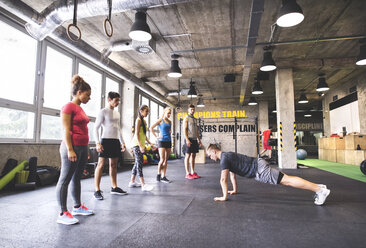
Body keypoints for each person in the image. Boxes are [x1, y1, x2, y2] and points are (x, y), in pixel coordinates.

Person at [206, 144, 330, 205]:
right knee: (287, 179)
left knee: (287, 180)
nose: (210, 158)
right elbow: (232, 175)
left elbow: (223, 180)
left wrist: (224, 197)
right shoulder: (227, 155)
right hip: (258, 164)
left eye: (210, 155)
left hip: (259, 169)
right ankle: (318, 187)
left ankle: (319, 190)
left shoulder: (223, 159)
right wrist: (234, 190)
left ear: (214, 151)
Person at [56, 75, 94, 225]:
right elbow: (66, 130)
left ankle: (77, 207)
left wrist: (86, 150)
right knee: (65, 179)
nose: (89, 98)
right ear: (79, 92)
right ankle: (62, 213)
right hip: (71, 146)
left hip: (82, 147)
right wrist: (70, 149)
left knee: (76, 177)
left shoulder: (80, 108)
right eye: (87, 95)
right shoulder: (68, 107)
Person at [93, 91, 127, 200]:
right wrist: (97, 142)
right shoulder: (103, 111)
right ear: (109, 99)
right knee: (101, 164)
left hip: (115, 141)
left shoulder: (117, 113)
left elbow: (118, 128)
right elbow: (96, 128)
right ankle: (97, 190)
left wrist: (123, 142)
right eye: (116, 100)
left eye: (118, 100)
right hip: (105, 141)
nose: (118, 102)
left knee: (113, 165)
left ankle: (114, 187)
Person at [129, 104, 154, 191]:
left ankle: (132, 181)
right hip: (136, 144)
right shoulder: (138, 120)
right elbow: (136, 134)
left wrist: (150, 143)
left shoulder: (144, 121)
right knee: (139, 163)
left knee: (137, 162)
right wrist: (140, 146)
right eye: (146, 111)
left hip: (140, 144)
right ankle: (143, 184)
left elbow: (144, 134)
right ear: (141, 111)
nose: (148, 113)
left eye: (148, 111)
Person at [150, 107, 172, 183]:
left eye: (170, 113)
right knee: (162, 159)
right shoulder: (160, 120)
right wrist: (156, 136)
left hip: (168, 141)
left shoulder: (170, 122)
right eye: (168, 113)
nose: (169, 114)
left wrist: (170, 132)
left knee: (166, 160)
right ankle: (158, 174)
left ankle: (163, 176)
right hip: (161, 141)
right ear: (164, 112)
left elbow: (169, 130)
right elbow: (151, 128)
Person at [183, 104, 203, 179]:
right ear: (188, 110)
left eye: (193, 109)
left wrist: (199, 140)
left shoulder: (195, 119)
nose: (192, 111)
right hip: (189, 138)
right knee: (187, 155)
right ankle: (187, 173)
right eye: (191, 109)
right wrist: (187, 139)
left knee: (193, 155)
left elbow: (196, 131)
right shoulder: (186, 118)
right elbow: (184, 129)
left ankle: (192, 172)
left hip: (194, 139)